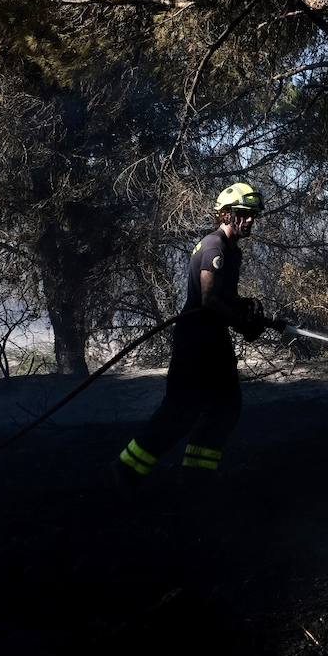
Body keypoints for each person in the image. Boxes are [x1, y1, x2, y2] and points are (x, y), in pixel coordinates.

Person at [112, 182, 269, 490]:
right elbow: (209, 299)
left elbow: (224, 297)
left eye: (253, 214)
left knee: (225, 407)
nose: (250, 219)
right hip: (196, 341)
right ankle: (125, 470)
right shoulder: (214, 247)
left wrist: (246, 309)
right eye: (243, 213)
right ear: (225, 214)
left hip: (213, 340)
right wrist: (240, 322)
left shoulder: (232, 251)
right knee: (180, 411)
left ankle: (197, 477)